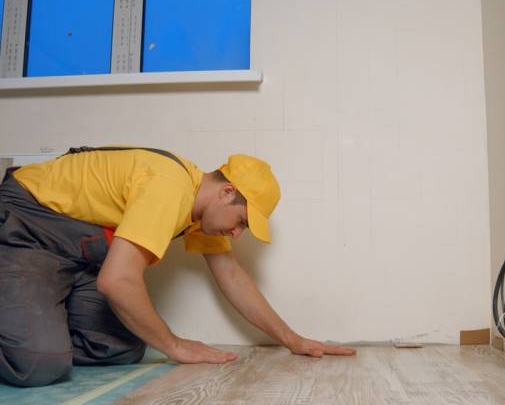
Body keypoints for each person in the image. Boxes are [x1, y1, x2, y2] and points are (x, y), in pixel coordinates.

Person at [0, 146, 355, 387]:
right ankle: (31, 342)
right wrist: (175, 345)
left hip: (81, 255)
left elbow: (231, 274)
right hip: (31, 229)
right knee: (39, 363)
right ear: (227, 192)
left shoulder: (198, 214)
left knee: (121, 348)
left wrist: (291, 340)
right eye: (242, 222)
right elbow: (117, 280)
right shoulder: (170, 187)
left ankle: (28, 328)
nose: (237, 233)